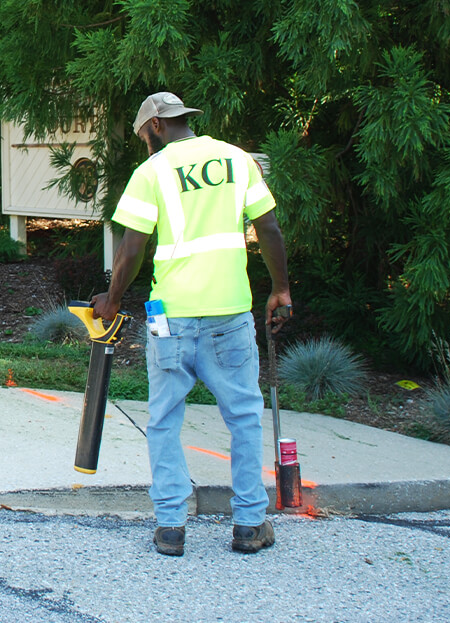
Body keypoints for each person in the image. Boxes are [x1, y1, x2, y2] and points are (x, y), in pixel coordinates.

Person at [92, 92, 291, 556]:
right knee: (243, 418)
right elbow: (270, 230)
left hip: (171, 318)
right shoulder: (238, 160)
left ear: (157, 125)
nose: (146, 143)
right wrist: (281, 289)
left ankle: (170, 528)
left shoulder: (153, 172)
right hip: (231, 313)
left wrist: (112, 299)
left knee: (163, 420)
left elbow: (132, 249)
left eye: (144, 135)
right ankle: (248, 525)